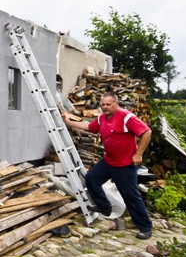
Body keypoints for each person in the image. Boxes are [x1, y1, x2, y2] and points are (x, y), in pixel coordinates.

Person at [60, 91, 154, 239]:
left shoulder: (126, 116)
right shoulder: (102, 118)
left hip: (125, 164)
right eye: (103, 104)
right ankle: (104, 206)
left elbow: (147, 132)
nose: (105, 107)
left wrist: (139, 154)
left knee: (130, 196)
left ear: (116, 103)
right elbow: (88, 126)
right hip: (109, 161)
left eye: (108, 104)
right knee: (91, 179)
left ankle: (145, 227)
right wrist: (69, 122)